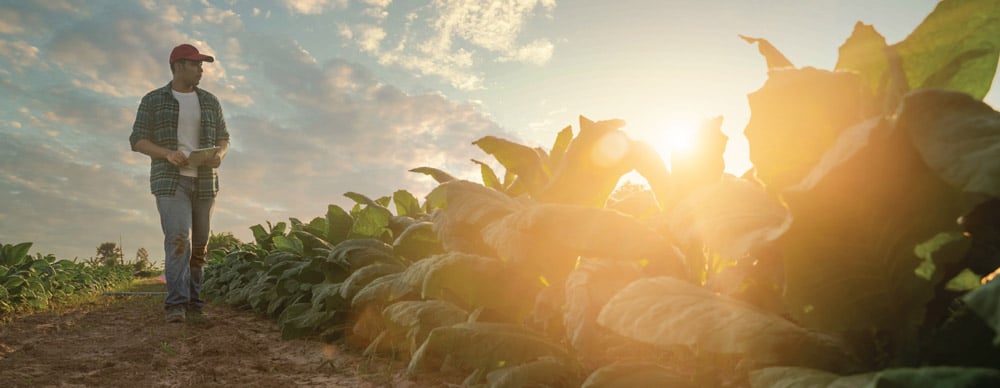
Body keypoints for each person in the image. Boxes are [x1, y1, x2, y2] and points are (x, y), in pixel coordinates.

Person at [129, 43, 230, 323]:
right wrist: (167, 154)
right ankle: (176, 304)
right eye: (196, 64)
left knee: (199, 246)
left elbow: (224, 137)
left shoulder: (210, 101)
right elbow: (137, 139)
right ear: (178, 66)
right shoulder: (153, 100)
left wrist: (219, 154)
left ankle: (195, 302)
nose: (201, 70)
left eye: (202, 65)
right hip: (171, 182)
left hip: (205, 182)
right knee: (178, 240)